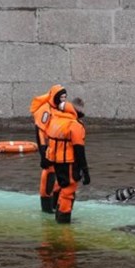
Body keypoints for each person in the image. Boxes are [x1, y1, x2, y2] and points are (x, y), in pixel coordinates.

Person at [44, 97, 90, 224]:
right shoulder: (75, 125)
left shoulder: (56, 120)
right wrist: (85, 171)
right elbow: (79, 150)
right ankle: (63, 219)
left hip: (56, 161)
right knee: (68, 190)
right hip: (68, 161)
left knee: (60, 185)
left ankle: (56, 212)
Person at [30, 84, 68, 214]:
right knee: (49, 175)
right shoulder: (46, 111)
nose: (64, 100)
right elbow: (40, 133)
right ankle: (46, 206)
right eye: (61, 97)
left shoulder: (60, 109)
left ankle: (55, 204)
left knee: (59, 177)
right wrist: (43, 153)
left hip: (59, 149)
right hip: (48, 148)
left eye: (65, 97)